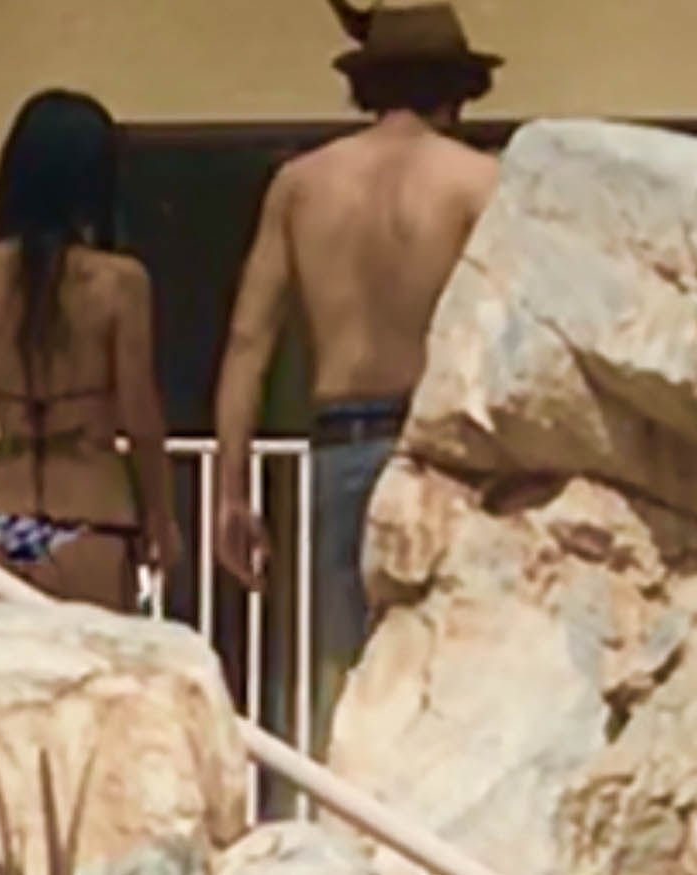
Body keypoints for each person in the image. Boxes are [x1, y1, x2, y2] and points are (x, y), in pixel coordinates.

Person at [213, 1, 502, 757]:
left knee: (340, 677)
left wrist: (232, 491)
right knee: (446, 682)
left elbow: (248, 341)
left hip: (337, 447)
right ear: (456, 91)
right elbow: (505, 336)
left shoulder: (301, 184)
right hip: (439, 456)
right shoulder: (477, 182)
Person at [0, 89, 181, 610]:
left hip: (1, 523)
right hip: (93, 521)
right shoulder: (119, 283)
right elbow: (141, 416)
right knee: (92, 659)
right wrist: (160, 518)